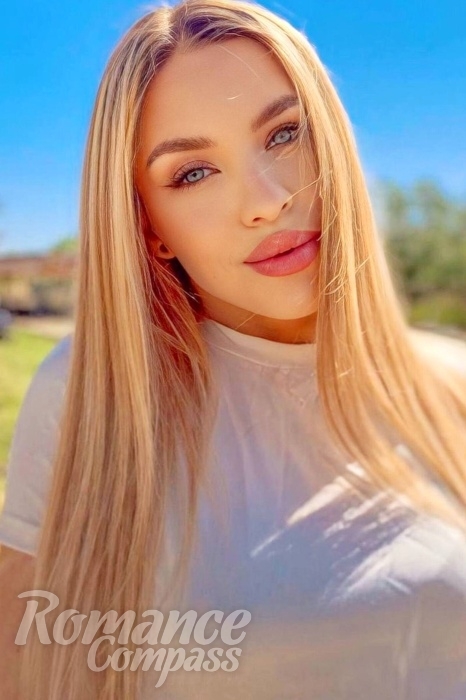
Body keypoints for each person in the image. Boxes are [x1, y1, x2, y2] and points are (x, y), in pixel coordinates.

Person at [1, 0, 466, 697]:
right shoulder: (94, 397)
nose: (266, 200)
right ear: (150, 228)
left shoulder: (449, 382)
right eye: (193, 173)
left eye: (285, 133)